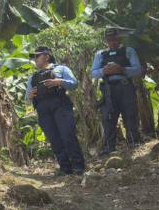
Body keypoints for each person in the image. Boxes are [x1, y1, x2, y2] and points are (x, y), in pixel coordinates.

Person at [27, 46, 85, 175]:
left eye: (37, 56)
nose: (35, 59)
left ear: (46, 56)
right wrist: (31, 95)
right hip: (43, 109)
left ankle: (78, 166)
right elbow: (27, 96)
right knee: (54, 139)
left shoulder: (61, 69)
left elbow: (74, 83)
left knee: (68, 135)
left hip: (61, 105)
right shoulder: (33, 77)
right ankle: (65, 168)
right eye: (34, 57)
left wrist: (59, 81)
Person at [90, 27, 144, 155]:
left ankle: (133, 143)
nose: (112, 42)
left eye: (114, 39)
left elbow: (138, 69)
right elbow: (93, 73)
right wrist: (104, 71)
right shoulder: (100, 54)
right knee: (108, 117)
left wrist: (122, 69)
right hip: (108, 88)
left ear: (119, 39)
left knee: (130, 114)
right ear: (105, 41)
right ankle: (110, 147)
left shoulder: (128, 51)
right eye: (109, 40)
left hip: (125, 86)